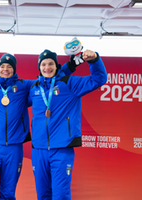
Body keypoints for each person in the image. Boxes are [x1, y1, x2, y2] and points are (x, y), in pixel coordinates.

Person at [0, 53, 80, 200]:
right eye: (2, 67)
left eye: (9, 67)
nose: (6, 69)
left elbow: (49, 76)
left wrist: (70, 66)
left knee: (8, 193)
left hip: (14, 147)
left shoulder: (25, 86)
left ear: (14, 70)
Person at [28, 49, 107, 200]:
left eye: (51, 64)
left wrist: (94, 59)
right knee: (43, 195)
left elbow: (99, 79)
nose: (47, 67)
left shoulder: (70, 84)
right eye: (43, 64)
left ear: (56, 66)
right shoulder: (34, 88)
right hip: (39, 150)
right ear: (39, 67)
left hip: (62, 149)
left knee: (60, 195)